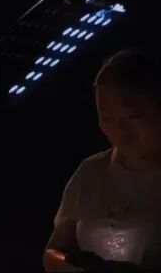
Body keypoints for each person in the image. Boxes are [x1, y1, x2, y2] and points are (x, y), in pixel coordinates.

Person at [44, 48, 161, 272]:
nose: (119, 131)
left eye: (132, 117)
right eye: (107, 118)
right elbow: (54, 251)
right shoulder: (91, 173)